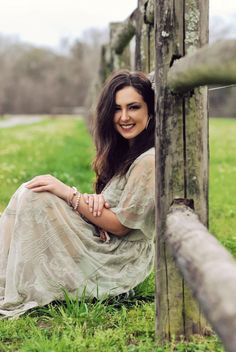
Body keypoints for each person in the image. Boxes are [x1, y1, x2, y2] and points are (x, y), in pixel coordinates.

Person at [0, 70, 155, 318]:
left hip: (121, 260)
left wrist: (70, 194)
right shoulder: (127, 151)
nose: (124, 117)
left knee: (38, 195)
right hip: (106, 241)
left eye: (133, 107)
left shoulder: (148, 160)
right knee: (30, 190)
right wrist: (93, 205)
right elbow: (114, 205)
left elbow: (121, 226)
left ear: (150, 110)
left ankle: (12, 285)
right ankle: (6, 278)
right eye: (117, 109)